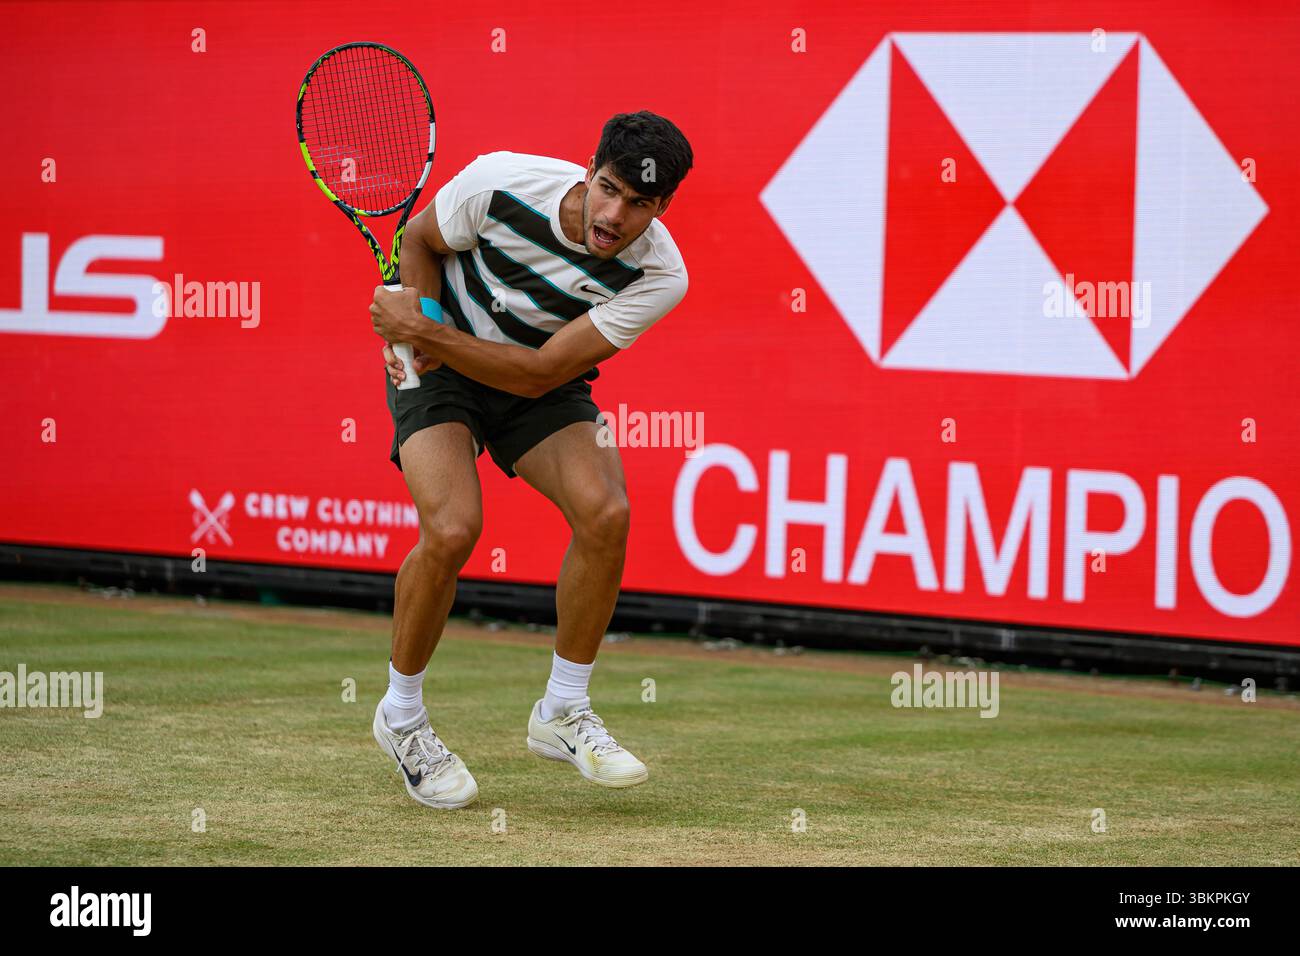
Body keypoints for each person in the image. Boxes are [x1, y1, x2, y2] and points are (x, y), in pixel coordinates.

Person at [366, 111, 692, 808]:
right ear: (588, 169)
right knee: (452, 528)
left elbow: (541, 373)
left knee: (607, 513)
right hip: (442, 365)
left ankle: (562, 712)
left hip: (533, 376)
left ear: (661, 208)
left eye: (640, 205)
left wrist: (425, 329)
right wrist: (417, 327)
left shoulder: (660, 274)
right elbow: (421, 239)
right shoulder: (499, 182)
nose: (614, 215)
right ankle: (400, 718)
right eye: (608, 189)